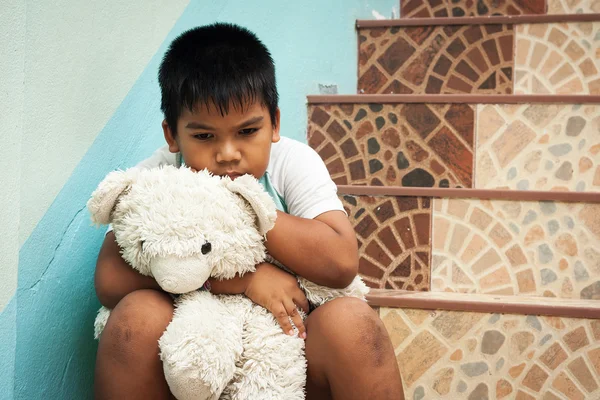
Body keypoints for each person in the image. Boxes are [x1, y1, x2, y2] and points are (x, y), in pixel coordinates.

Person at [93, 22, 404, 400]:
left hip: (285, 346)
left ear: (273, 123)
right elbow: (109, 279)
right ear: (172, 135)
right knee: (134, 318)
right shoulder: (160, 174)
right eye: (204, 136)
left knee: (355, 325)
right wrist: (243, 280)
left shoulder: (291, 162)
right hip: (194, 350)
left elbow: (341, 262)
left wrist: (246, 207)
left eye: (246, 132)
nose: (227, 154)